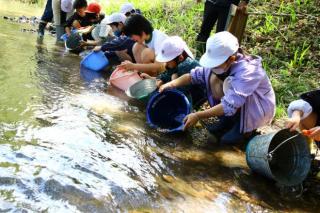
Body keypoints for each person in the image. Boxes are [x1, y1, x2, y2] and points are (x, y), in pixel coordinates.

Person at [160, 31, 275, 145]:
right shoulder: (217, 66)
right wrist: (171, 84)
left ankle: (248, 131)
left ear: (231, 59)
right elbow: (191, 76)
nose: (212, 66)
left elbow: (228, 104)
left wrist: (198, 115)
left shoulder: (249, 72)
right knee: (213, 131)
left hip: (256, 110)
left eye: (216, 63)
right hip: (236, 105)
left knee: (227, 141)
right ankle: (229, 120)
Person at [141, 36, 206, 108]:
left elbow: (180, 94)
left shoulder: (186, 66)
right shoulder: (175, 63)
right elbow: (166, 75)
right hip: (183, 90)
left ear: (180, 58)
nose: (166, 63)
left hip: (195, 98)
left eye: (168, 61)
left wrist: (173, 80)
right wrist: (154, 79)